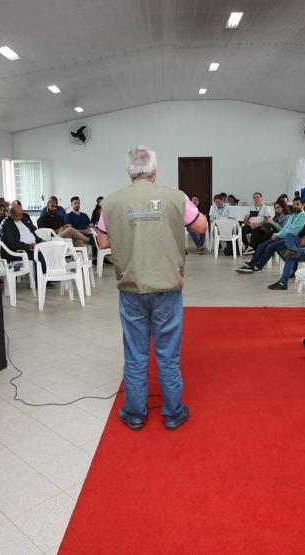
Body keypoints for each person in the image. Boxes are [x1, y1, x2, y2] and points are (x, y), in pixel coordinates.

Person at [96, 146, 208, 432]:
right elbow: (201, 227)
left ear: (129, 172)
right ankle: (172, 413)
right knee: (167, 353)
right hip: (167, 286)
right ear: (154, 171)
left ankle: (134, 413)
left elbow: (104, 243)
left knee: (135, 353)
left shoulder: (110, 202)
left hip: (132, 287)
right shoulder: (175, 197)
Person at [235, 201, 305, 273]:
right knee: (261, 245)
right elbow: (286, 228)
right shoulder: (292, 215)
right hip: (281, 235)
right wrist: (277, 234)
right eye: (294, 204)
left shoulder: (302, 217)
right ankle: (252, 264)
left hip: (290, 239)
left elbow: (293, 231)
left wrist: (277, 233)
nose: (295, 206)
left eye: (297, 204)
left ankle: (258, 266)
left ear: (303, 205)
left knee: (269, 247)